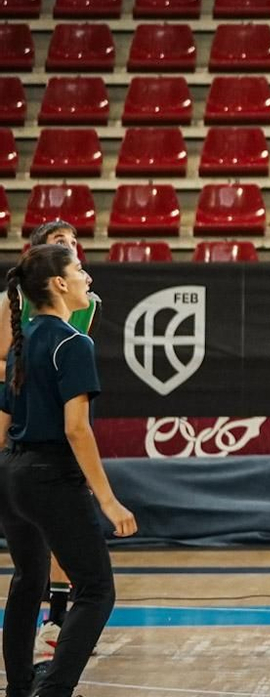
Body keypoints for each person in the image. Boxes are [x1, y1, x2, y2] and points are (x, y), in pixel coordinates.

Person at [0, 243, 137, 697]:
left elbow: (3, 422)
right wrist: (108, 499)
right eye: (79, 269)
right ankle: (53, 690)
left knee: (27, 579)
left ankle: (20, 686)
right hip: (51, 476)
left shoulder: (21, 343)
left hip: (13, 475)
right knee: (97, 589)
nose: (86, 276)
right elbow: (77, 430)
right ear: (59, 283)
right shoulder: (73, 343)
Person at [0, 220, 93, 672]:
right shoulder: (19, 318)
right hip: (33, 443)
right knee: (92, 585)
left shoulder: (78, 317)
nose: (75, 255)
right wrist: (111, 499)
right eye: (63, 247)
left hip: (33, 446)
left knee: (40, 563)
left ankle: (53, 625)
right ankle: (50, 678)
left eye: (74, 246)